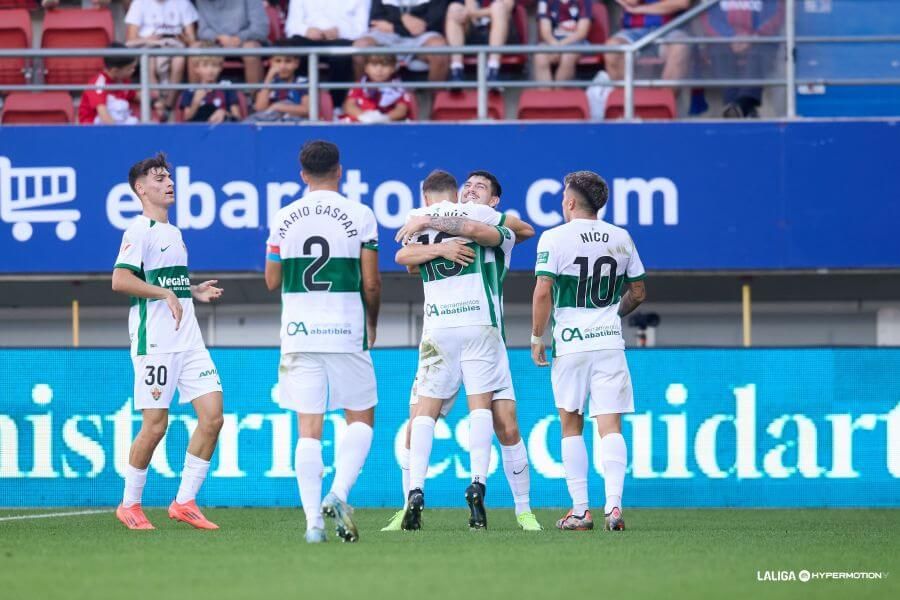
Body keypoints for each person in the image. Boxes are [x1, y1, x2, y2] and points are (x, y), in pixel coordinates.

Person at [381, 170, 541, 532]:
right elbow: (406, 258)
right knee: (473, 411)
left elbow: (518, 229)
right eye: (467, 186)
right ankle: (466, 488)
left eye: (480, 187)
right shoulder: (463, 215)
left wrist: (427, 221)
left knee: (499, 424)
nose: (471, 190)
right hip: (472, 329)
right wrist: (436, 243)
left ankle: (518, 508)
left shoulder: (451, 217)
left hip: (447, 330)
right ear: (456, 192)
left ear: (494, 200)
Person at [265, 140, 381, 544]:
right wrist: (373, 321)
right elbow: (371, 281)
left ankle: (313, 522)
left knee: (308, 429)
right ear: (340, 170)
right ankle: (340, 492)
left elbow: (272, 280)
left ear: (302, 174)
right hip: (346, 327)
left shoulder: (283, 217)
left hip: (298, 330)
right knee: (362, 419)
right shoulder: (361, 214)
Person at [111, 152, 225, 531]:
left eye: (169, 176)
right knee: (155, 426)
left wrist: (192, 289)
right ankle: (130, 504)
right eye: (159, 178)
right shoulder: (138, 231)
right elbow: (121, 280)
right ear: (141, 189)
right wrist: (164, 294)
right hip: (155, 343)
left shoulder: (173, 233)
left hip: (189, 341)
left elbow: (167, 282)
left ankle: (184, 501)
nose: (168, 183)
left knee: (213, 418)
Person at [530, 170, 647, 532]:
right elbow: (639, 292)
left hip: (571, 345)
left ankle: (580, 510)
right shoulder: (621, 237)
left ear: (569, 202)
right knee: (610, 424)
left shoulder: (554, 238)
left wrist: (537, 337)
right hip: (610, 343)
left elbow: (542, 291)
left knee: (571, 425)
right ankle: (614, 506)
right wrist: (612, 314)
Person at [700, 0, 784, 118]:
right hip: (725, 41)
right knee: (719, 51)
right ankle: (742, 108)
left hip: (759, 39)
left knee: (759, 51)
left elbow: (776, 14)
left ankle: (739, 106)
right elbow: (709, 18)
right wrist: (729, 37)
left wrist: (754, 37)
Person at [285, 0, 370, 105]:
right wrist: (306, 30)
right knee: (296, 51)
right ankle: (299, 104)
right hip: (307, 38)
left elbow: (361, 29)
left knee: (341, 56)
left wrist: (340, 31)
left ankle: (336, 106)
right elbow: (291, 26)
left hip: (342, 39)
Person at [124, 0, 198, 120]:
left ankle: (169, 105)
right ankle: (157, 103)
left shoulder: (183, 3)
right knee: (149, 60)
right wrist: (148, 40)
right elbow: (130, 40)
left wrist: (184, 39)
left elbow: (192, 39)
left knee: (179, 60)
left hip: (174, 43)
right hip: (147, 43)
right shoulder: (139, 3)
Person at [353, 0, 450, 82]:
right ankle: (362, 99)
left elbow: (433, 21)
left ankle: (436, 102)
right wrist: (403, 18)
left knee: (439, 50)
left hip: (422, 36)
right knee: (361, 47)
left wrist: (394, 26)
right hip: (387, 35)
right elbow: (376, 19)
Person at [605, 0, 692, 83]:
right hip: (633, 30)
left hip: (670, 28)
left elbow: (681, 3)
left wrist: (642, 9)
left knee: (680, 46)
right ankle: (629, 97)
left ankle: (664, 98)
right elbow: (632, 1)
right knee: (613, 48)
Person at [195, 0, 269, 84]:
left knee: (250, 49)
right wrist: (218, 38)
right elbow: (202, 31)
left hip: (246, 41)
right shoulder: (201, 1)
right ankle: (193, 95)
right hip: (217, 43)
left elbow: (260, 29)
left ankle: (255, 96)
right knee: (194, 49)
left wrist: (239, 38)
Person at [445, 0, 516, 83]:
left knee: (498, 7)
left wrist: (475, 13)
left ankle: (493, 70)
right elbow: (470, 12)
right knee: (454, 8)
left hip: (502, 38)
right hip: (473, 34)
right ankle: (457, 70)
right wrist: (478, 13)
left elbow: (507, 7)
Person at [78, 42, 139, 125]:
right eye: (129, 69)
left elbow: (136, 96)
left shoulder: (124, 80)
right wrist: (118, 134)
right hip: (94, 126)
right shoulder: (99, 84)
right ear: (115, 71)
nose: (133, 71)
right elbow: (103, 115)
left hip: (118, 121)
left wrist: (154, 101)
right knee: (117, 105)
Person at [534, 0, 593, 84]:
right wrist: (554, 44)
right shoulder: (544, 1)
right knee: (540, 55)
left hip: (577, 42)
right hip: (552, 42)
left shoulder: (585, 1)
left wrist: (559, 46)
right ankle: (545, 94)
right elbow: (545, 32)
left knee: (568, 55)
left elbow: (581, 33)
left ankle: (559, 94)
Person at [343, 54, 413, 123]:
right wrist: (364, 116)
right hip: (362, 122)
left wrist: (384, 118)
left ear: (393, 68)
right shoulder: (359, 85)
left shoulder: (398, 88)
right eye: (374, 65)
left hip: (388, 124)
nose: (379, 70)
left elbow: (401, 110)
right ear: (366, 68)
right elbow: (349, 106)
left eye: (385, 65)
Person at [249, 40, 309, 122]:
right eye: (278, 61)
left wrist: (279, 107)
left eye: (288, 61)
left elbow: (307, 110)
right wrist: (269, 78)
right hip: (270, 122)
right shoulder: (267, 82)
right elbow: (260, 108)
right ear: (271, 63)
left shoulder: (303, 82)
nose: (282, 66)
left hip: (293, 122)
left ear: (296, 63)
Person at [178, 50, 243, 123]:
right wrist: (196, 102)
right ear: (196, 68)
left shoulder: (227, 87)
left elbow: (237, 117)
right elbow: (186, 118)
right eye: (205, 65)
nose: (210, 70)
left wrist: (224, 113)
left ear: (221, 67)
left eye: (215, 65)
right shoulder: (190, 90)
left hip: (221, 129)